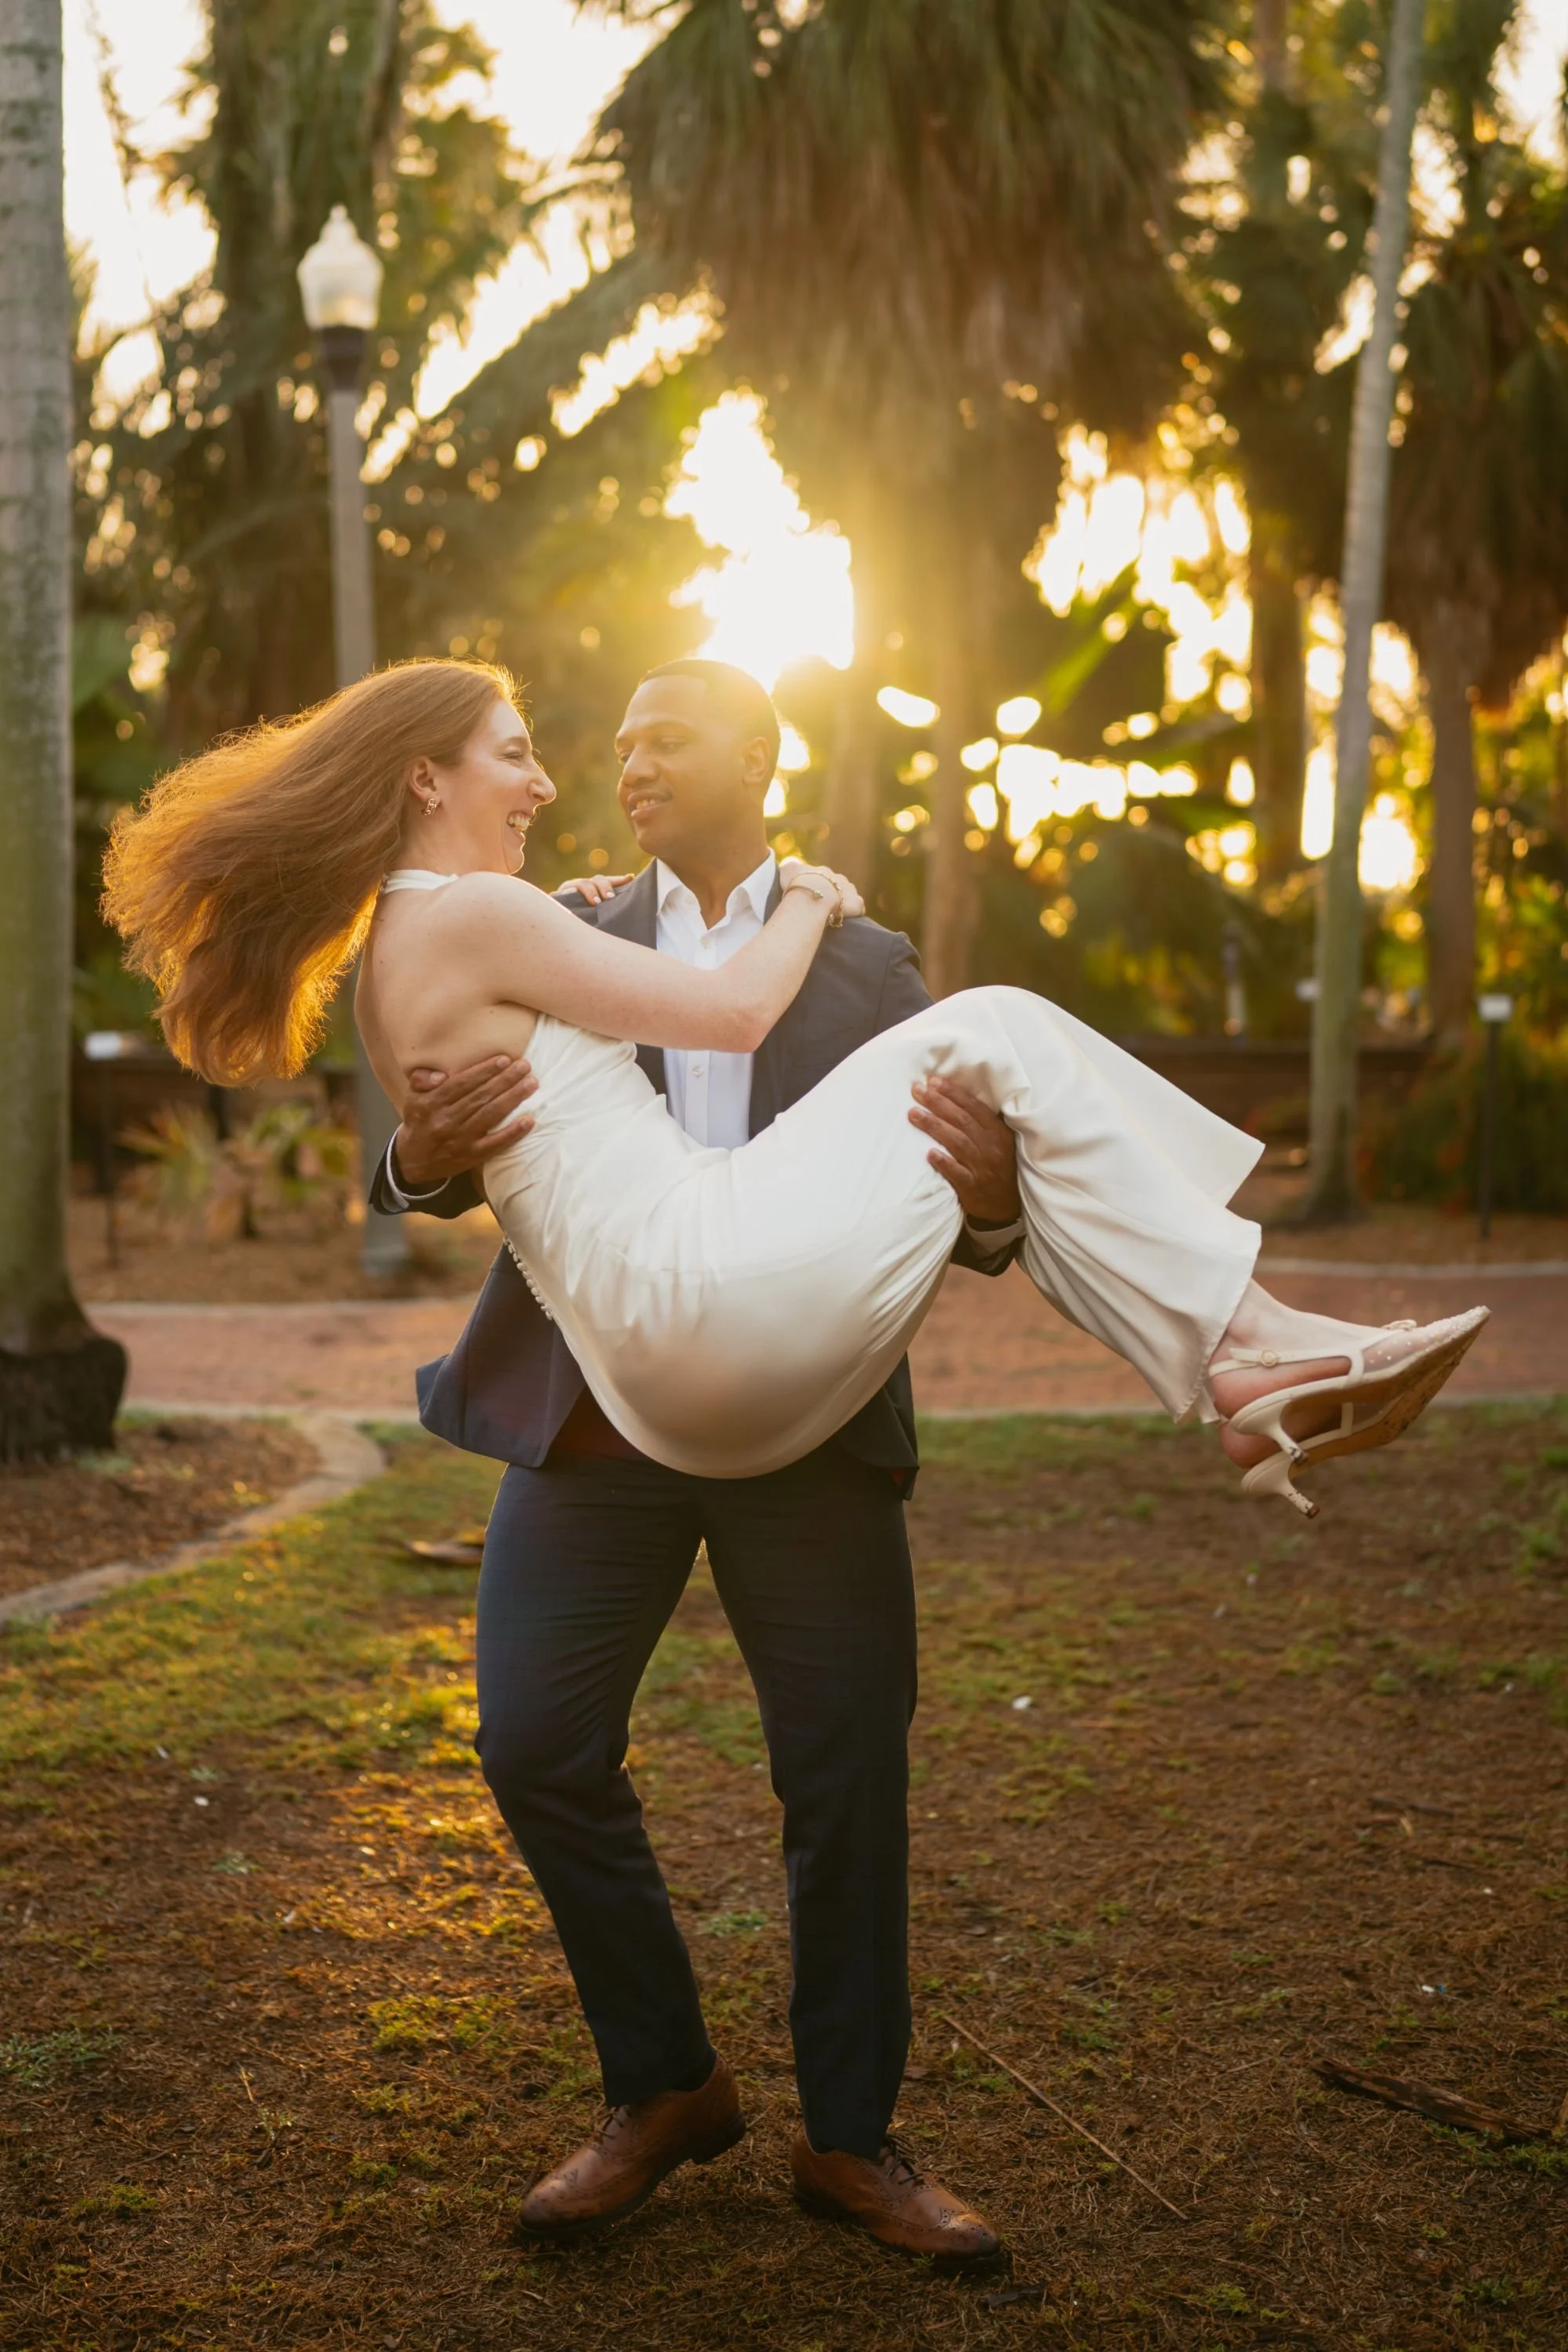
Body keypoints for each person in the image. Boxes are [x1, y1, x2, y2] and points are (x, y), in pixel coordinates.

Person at [103, 657, 1486, 2261]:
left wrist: (981, 1194)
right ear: (427, 777)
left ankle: (853, 2141)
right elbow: (432, 1138)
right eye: (559, 746)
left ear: (756, 754)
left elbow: (963, 1217)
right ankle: (663, 2086)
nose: (597, 773)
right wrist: (425, 1151)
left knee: (845, 1772)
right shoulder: (567, 917)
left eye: (651, 739)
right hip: (608, 1399)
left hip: (800, 1394)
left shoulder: (858, 965)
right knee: (533, 1745)